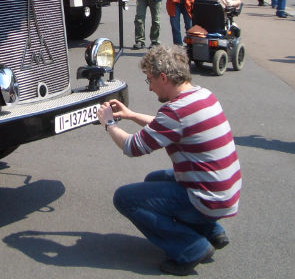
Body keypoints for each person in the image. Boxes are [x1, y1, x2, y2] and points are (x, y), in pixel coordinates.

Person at [96, 45, 241, 276]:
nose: (150, 87)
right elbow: (166, 126)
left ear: (163, 78)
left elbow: (132, 147)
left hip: (208, 199)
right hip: (225, 192)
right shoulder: (202, 95)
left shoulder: (175, 112)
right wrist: (131, 115)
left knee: (124, 198)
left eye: (149, 80)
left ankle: (191, 248)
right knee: (153, 179)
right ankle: (210, 229)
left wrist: (109, 124)